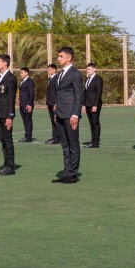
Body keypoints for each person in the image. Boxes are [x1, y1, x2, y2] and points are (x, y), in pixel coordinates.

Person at [51, 47, 84, 183]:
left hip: (71, 115)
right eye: (58, 56)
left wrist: (75, 114)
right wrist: (56, 112)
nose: (58, 58)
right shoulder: (59, 75)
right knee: (64, 145)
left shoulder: (75, 74)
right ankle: (66, 172)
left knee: (73, 145)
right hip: (60, 114)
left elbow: (78, 95)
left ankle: (72, 174)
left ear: (69, 58)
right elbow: (60, 94)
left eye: (61, 56)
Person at [0, 54, 18, 175]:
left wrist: (10, 116)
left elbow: (11, 99)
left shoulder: (10, 78)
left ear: (5, 63)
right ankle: (5, 164)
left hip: (6, 115)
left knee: (7, 140)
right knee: (2, 140)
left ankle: (10, 166)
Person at [82, 62, 103, 148]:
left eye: (89, 69)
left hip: (94, 105)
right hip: (87, 104)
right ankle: (92, 140)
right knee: (91, 124)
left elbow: (99, 93)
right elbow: (85, 92)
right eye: (87, 69)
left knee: (95, 123)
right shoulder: (87, 79)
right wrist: (83, 105)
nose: (88, 70)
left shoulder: (98, 79)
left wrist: (95, 105)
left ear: (95, 69)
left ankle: (96, 142)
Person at [18, 67, 36, 142]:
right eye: (20, 73)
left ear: (26, 73)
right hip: (22, 104)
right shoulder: (22, 81)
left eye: (22, 73)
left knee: (28, 120)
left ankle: (28, 136)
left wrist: (29, 104)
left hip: (27, 105)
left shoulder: (30, 81)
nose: (20, 74)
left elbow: (32, 94)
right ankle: (26, 135)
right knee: (24, 121)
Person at [44, 64, 60, 144]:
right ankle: (54, 137)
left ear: (54, 70)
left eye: (50, 69)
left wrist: (56, 103)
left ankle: (57, 138)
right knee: (52, 121)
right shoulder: (49, 79)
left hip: (54, 103)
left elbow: (57, 92)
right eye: (48, 69)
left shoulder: (57, 78)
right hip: (50, 102)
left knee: (56, 120)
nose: (49, 71)